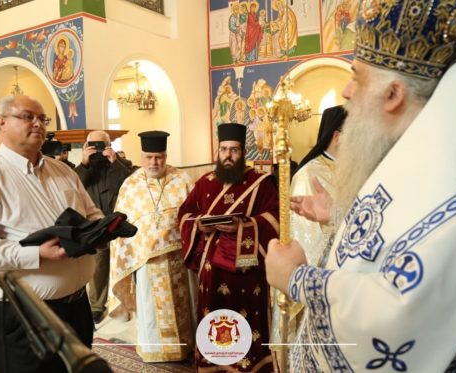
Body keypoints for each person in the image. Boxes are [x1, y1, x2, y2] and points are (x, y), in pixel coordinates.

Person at [265, 0, 456, 372]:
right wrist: (339, 215)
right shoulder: (416, 154)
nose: (346, 92)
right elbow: (398, 243)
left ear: (394, 94)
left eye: (356, 77)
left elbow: (401, 312)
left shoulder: (447, 182)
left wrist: (297, 278)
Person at [0, 95, 103, 373]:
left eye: (42, 118)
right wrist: (35, 254)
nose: (38, 124)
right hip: (22, 313)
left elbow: (91, 214)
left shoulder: (63, 171)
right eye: (27, 116)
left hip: (77, 306)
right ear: (2, 122)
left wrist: (102, 229)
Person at [178, 123, 279, 372]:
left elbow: (276, 219)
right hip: (211, 269)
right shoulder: (205, 182)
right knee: (214, 315)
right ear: (218, 151)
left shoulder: (260, 182)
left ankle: (249, 366)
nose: (228, 155)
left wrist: (243, 226)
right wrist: (200, 225)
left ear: (243, 152)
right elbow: (185, 215)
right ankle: (214, 363)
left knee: (247, 317)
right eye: (223, 149)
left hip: (247, 269)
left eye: (234, 150)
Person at [109, 130, 195, 362]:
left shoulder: (182, 180)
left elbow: (194, 216)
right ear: (142, 156)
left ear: (165, 156)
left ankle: (184, 347)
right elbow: (122, 223)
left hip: (178, 258)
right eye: (149, 157)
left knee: (182, 303)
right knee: (149, 305)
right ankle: (154, 349)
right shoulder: (131, 185)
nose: (154, 162)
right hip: (146, 261)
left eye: (159, 157)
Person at [270, 105, 346, 347]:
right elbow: (306, 239)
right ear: (337, 136)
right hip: (323, 281)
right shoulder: (309, 174)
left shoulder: (356, 170)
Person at [75, 130, 133, 325]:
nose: (97, 149)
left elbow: (128, 185)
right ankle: (97, 307)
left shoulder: (122, 164)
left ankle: (125, 304)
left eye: (101, 145)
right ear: (86, 145)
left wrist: (114, 162)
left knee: (123, 265)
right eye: (93, 145)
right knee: (98, 267)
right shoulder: (83, 168)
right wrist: (84, 163)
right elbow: (75, 187)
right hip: (96, 224)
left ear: (109, 145)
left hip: (119, 223)